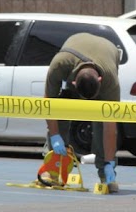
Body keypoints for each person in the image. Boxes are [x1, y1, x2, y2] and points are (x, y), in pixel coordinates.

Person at [45, 33, 121, 193]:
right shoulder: (59, 64)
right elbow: (49, 104)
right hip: (75, 49)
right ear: (73, 83)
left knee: (103, 120)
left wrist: (109, 162)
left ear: (100, 80)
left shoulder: (110, 80)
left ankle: (107, 176)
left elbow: (110, 127)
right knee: (61, 107)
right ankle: (53, 170)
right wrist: (55, 136)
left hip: (107, 51)